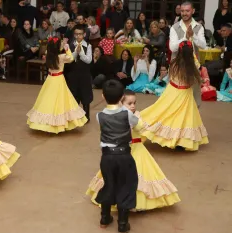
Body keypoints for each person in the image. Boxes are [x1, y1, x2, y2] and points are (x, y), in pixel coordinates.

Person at [86, 89, 180, 213]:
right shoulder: (119, 117)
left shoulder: (136, 115)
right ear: (120, 103)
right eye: (129, 103)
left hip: (138, 150)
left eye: (134, 103)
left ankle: (133, 205)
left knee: (138, 177)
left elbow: (141, 128)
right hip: (122, 151)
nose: (133, 106)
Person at [140, 41, 208, 151]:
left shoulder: (174, 63)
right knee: (183, 116)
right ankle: (180, 140)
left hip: (172, 90)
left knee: (163, 111)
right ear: (192, 52)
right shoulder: (192, 65)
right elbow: (194, 81)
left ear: (180, 51)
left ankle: (155, 132)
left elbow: (172, 77)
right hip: (185, 93)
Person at [92, 80, 139, 232]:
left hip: (107, 157)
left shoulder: (99, 116)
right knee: (126, 185)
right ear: (121, 98)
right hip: (124, 155)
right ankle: (123, 223)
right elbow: (136, 123)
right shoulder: (126, 113)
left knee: (109, 184)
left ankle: (105, 217)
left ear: (103, 96)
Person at [26, 37, 87, 133]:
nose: (62, 44)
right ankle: (58, 124)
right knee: (60, 100)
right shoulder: (62, 56)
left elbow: (50, 50)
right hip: (58, 80)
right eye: (60, 43)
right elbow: (71, 59)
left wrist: (61, 45)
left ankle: (46, 123)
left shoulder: (48, 54)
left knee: (47, 99)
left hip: (50, 79)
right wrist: (67, 49)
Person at [66, 24, 93, 121]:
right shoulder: (70, 45)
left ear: (84, 34)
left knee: (85, 95)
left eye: (80, 34)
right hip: (73, 74)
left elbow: (89, 60)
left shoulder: (88, 46)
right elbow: (69, 59)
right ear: (74, 35)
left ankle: (86, 117)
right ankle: (75, 117)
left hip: (84, 75)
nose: (78, 36)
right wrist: (75, 52)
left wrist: (81, 53)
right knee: (74, 95)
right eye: (76, 34)